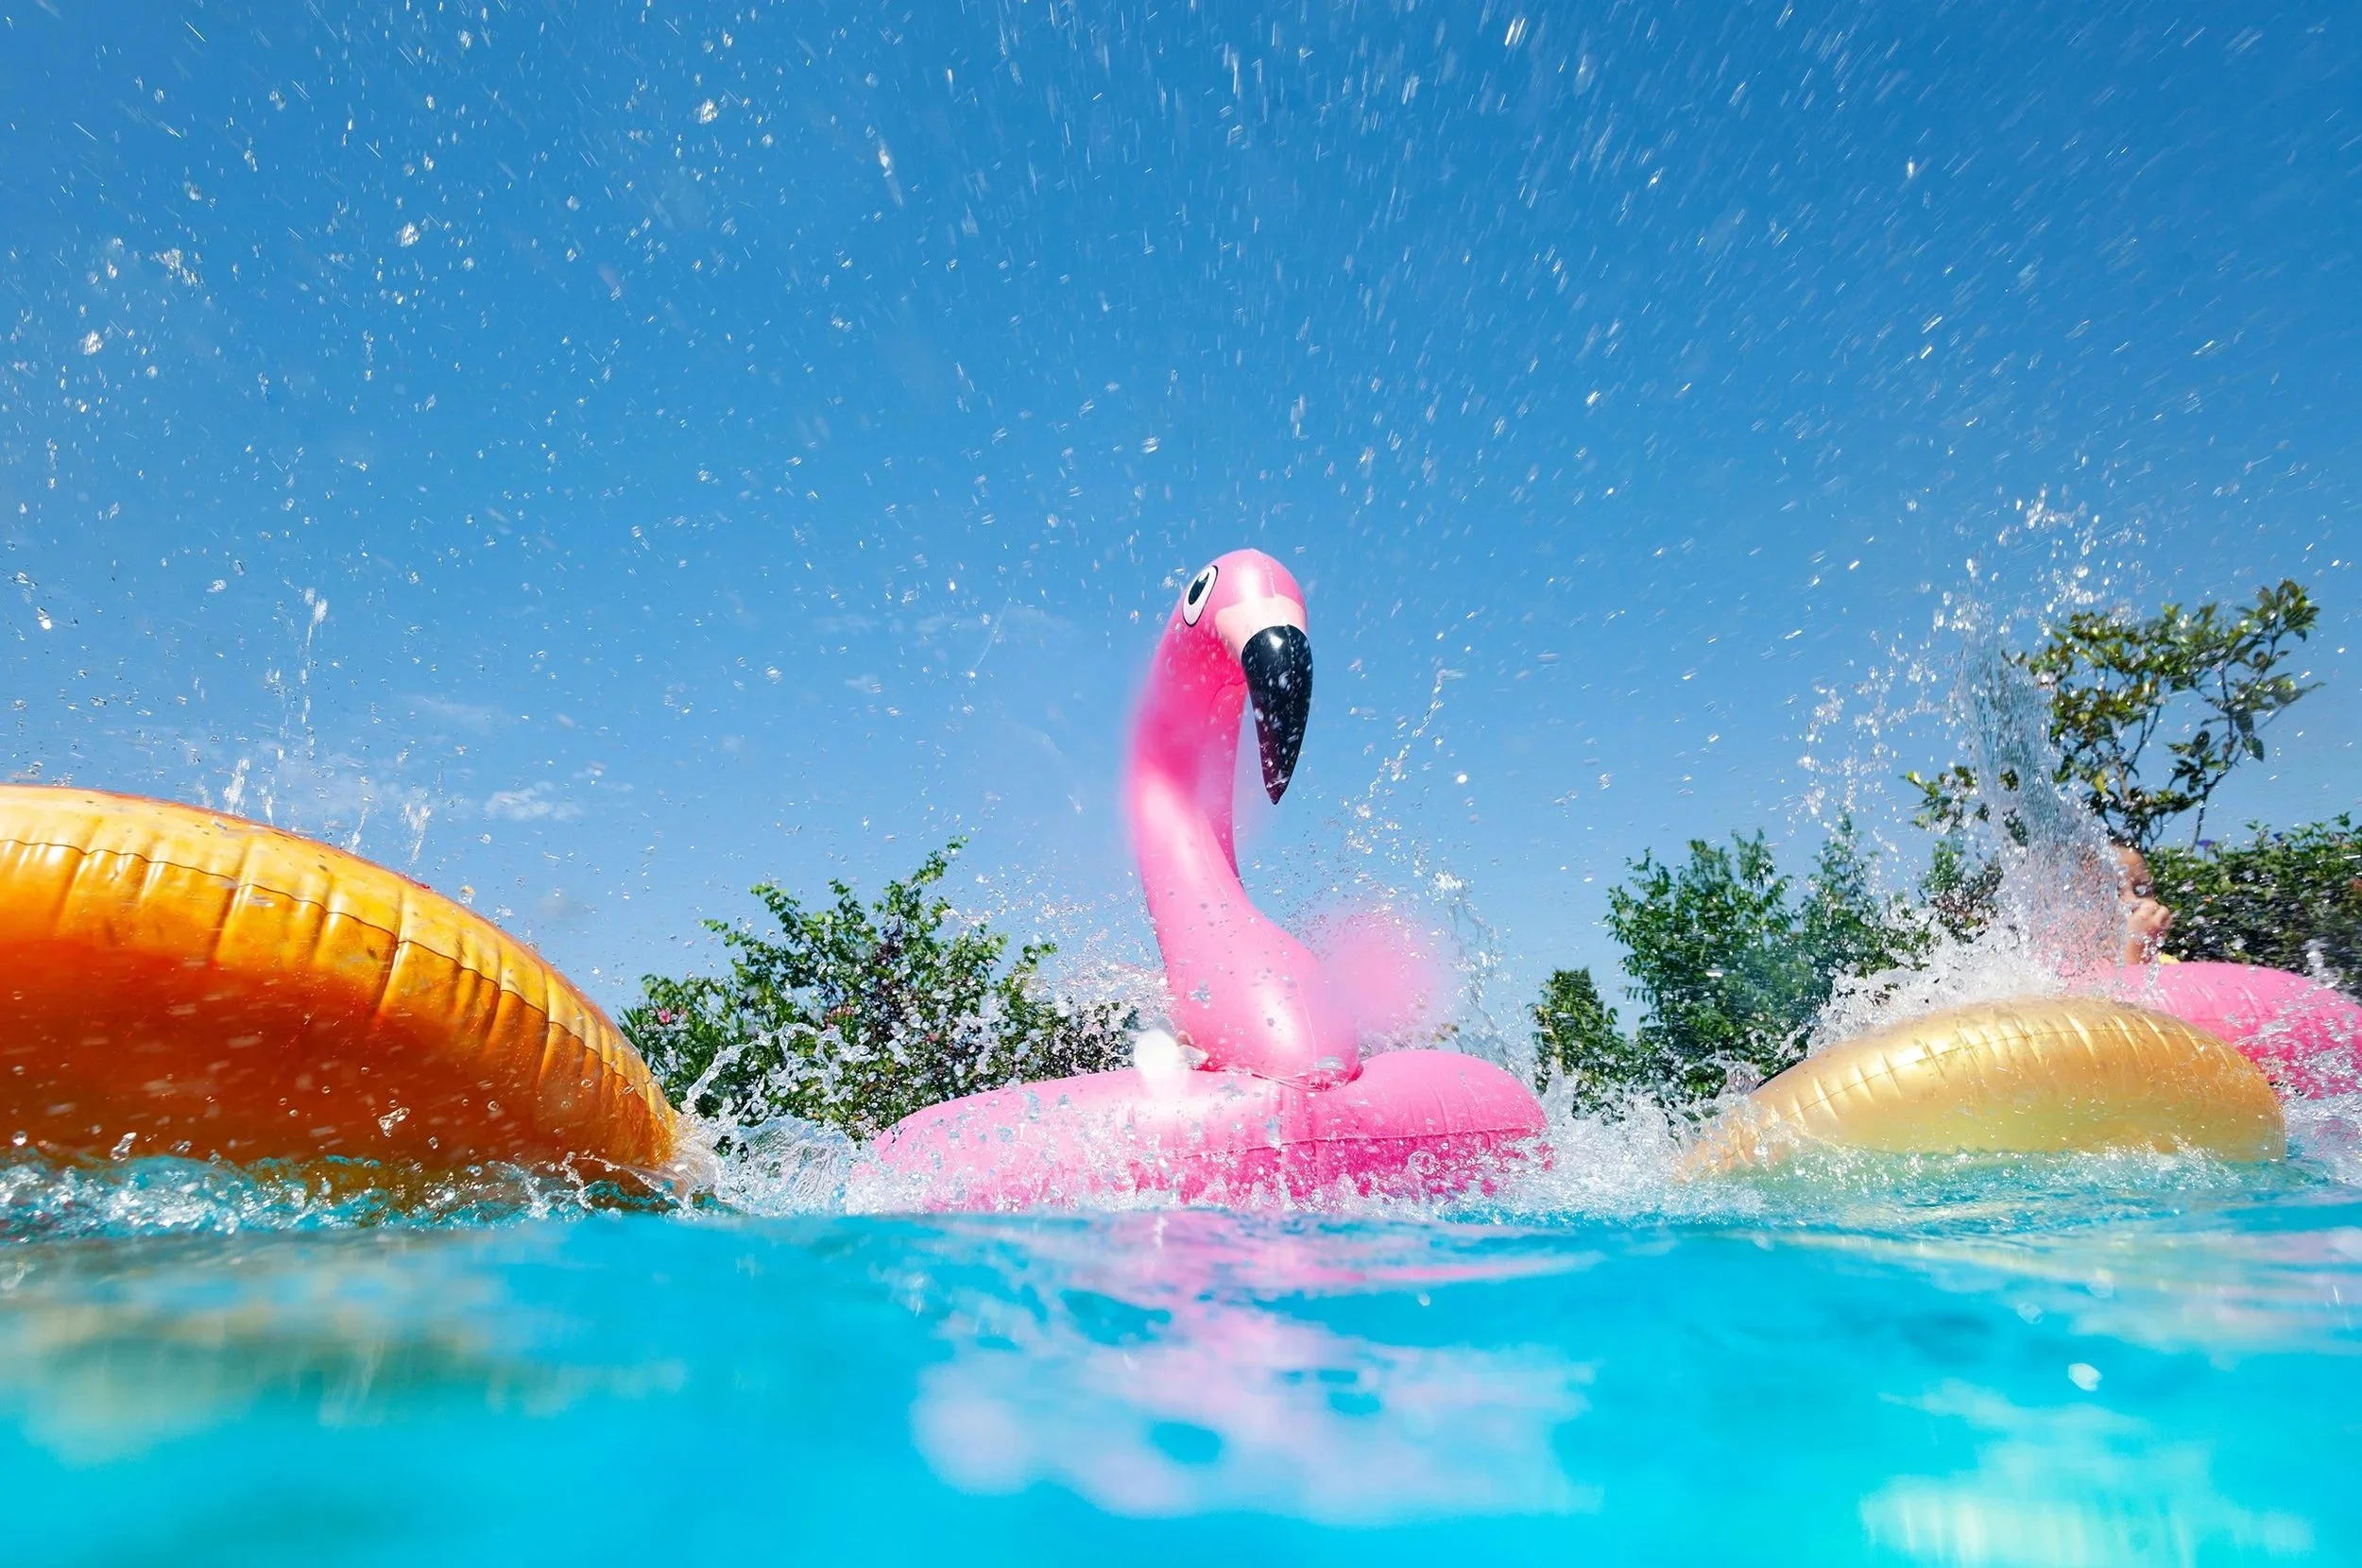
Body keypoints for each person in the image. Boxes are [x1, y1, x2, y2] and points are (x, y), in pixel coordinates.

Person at [2114, 843, 2177, 966]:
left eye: (2140, 890)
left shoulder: (2168, 964)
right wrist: (2132, 953)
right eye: (2114, 890)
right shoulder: (2068, 970)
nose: (2132, 901)